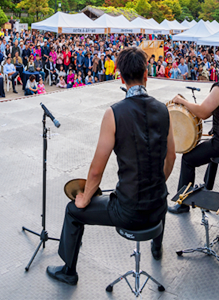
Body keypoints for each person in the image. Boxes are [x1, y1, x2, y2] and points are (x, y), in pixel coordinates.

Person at [46, 47, 176, 286]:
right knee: (160, 193)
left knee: (72, 211)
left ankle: (68, 271)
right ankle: (156, 248)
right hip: (158, 207)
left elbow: (96, 170)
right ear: (146, 74)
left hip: (128, 212)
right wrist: (157, 183)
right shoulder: (163, 109)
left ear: (121, 77)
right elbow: (171, 158)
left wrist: (84, 199)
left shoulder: (114, 113)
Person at [169, 42, 219, 214]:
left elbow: (204, 113)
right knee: (209, 148)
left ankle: (183, 204)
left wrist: (182, 101)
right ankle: (207, 187)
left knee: (188, 159)